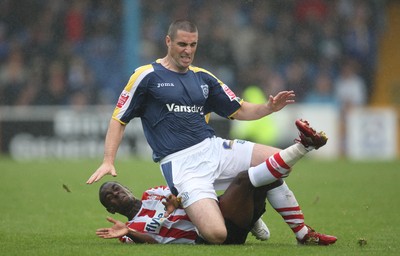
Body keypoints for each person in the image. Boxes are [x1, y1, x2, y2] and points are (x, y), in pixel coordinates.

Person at [87, 19, 335, 245]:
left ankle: (303, 233)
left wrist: (268, 107)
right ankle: (255, 206)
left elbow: (238, 109)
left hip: (213, 147)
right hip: (182, 166)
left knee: (277, 161)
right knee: (217, 234)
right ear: (168, 42)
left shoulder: (203, 77)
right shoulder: (146, 76)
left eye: (193, 45)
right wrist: (108, 159)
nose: (188, 50)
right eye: (182, 44)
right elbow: (119, 118)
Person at [96, 121, 337, 245]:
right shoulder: (130, 230)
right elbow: (151, 241)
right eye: (111, 199)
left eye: (116, 189)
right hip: (210, 235)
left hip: (219, 211)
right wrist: (129, 231)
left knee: (266, 177)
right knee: (246, 178)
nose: (116, 195)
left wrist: (176, 202)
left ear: (127, 188)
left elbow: (190, 195)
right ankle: (305, 146)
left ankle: (303, 234)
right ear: (111, 209)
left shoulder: (153, 193)